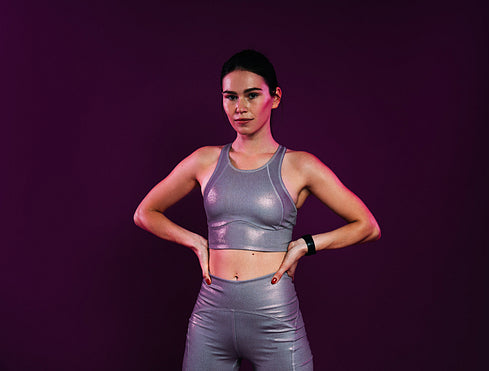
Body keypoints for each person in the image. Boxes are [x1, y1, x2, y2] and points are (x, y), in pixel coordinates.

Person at [134, 49, 381, 370]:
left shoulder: (300, 165)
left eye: (252, 95)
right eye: (230, 97)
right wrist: (195, 242)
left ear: (275, 97)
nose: (240, 108)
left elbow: (367, 226)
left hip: (274, 314)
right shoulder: (205, 160)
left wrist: (304, 246)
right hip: (211, 315)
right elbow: (145, 212)